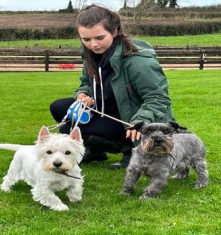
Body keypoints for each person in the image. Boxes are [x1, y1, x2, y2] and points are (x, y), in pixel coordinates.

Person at [50, 4, 174, 169]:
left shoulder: (137, 60)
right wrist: (83, 94)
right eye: (86, 39)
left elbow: (158, 98)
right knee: (58, 108)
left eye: (99, 38)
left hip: (132, 119)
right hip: (105, 111)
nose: (93, 45)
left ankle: (132, 150)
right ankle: (95, 151)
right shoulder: (90, 56)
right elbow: (86, 83)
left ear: (114, 31)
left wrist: (140, 121)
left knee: (68, 127)